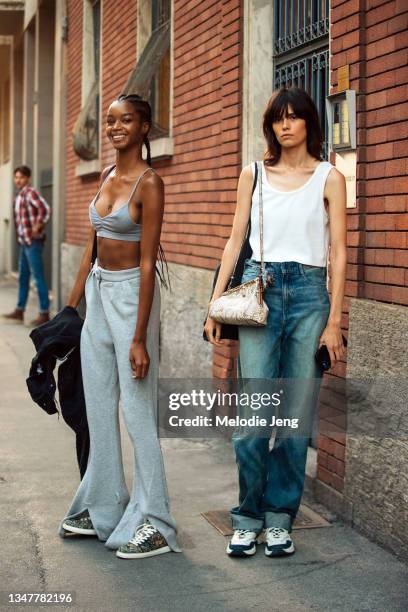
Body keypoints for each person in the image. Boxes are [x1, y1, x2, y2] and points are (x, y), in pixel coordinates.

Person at [204, 86, 347, 558]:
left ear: (309, 122)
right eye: (278, 118)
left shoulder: (330, 177)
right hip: (260, 287)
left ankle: (281, 517)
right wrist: (215, 302)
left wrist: (333, 322)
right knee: (253, 416)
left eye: (294, 117)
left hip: (309, 295)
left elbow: (339, 255)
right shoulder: (254, 174)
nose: (286, 125)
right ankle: (246, 517)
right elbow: (233, 240)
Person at [58, 94, 180, 559]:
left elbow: (148, 264)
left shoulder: (150, 183)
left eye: (125, 120)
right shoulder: (107, 175)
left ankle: (157, 522)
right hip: (97, 292)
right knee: (98, 404)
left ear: (144, 127)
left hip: (131, 297)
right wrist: (70, 313)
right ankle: (105, 507)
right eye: (110, 120)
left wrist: (138, 338)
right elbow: (92, 248)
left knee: (136, 410)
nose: (115, 127)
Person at [2, 166, 51, 326]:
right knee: (23, 278)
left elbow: (45, 209)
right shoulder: (20, 196)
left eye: (21, 177)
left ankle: (44, 313)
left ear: (27, 178)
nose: (18, 180)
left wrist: (38, 225)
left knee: (38, 278)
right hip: (24, 243)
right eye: (16, 177)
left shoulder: (30, 193)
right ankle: (19, 311)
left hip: (33, 242)